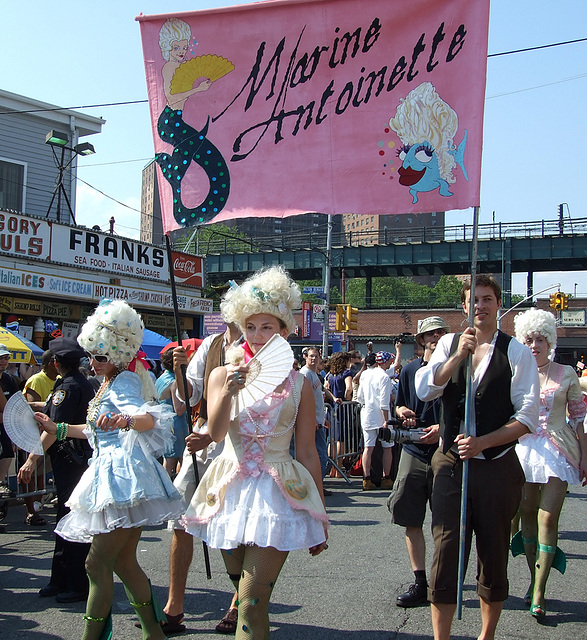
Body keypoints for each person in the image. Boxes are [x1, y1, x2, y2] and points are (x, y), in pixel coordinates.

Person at [181, 266, 328, 639]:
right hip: (227, 491)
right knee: (249, 601)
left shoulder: (300, 384)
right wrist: (229, 390)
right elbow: (215, 434)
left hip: (278, 494)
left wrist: (320, 511)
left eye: (268, 327)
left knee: (249, 602)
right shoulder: (220, 375)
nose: (258, 335)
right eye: (251, 327)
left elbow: (308, 452)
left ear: (284, 330)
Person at [34, 300, 184, 640]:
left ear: (117, 354)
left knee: (96, 564)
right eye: (92, 355)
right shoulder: (107, 383)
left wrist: (125, 419)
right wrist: (55, 428)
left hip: (119, 478)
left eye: (100, 357)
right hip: (113, 474)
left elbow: (150, 419)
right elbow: (92, 431)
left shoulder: (125, 381)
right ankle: (154, 634)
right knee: (123, 563)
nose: (93, 362)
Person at [415, 275, 539, 640]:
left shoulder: (514, 351)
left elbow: (527, 415)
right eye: (475, 300)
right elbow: (426, 390)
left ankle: (487, 634)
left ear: (498, 305)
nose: (481, 306)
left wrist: (484, 443)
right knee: (447, 547)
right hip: (451, 463)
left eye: (488, 299)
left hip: (497, 465)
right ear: (465, 307)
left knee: (493, 548)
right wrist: (457, 356)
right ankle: (442, 636)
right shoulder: (451, 344)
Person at [163, 321, 243, 635]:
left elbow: (256, 409)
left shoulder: (260, 347)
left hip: (238, 446)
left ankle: (239, 600)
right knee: (182, 522)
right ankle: (174, 604)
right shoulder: (211, 345)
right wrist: (180, 371)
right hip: (200, 444)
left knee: (233, 526)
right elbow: (188, 396)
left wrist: (210, 437)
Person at [512, 308, 587, 620]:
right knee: (526, 514)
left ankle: (540, 591)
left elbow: (579, 419)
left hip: (558, 450)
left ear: (550, 341)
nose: (534, 345)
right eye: (529, 339)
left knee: (546, 517)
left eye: (540, 339)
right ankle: (532, 579)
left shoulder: (565, 373)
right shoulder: (516, 373)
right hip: (524, 449)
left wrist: (585, 457)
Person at [18, 337, 95, 602]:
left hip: (70, 461)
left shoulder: (69, 387)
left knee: (70, 521)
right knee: (65, 521)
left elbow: (55, 430)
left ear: (56, 362)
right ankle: (61, 579)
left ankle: (75, 582)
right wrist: (30, 406)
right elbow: (53, 408)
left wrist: (31, 460)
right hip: (75, 461)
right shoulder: (74, 384)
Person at [388, 316, 449, 607]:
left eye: (441, 332)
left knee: (444, 522)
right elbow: (400, 402)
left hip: (443, 450)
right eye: (430, 334)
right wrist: (403, 412)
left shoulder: (455, 368)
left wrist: (442, 429)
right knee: (410, 518)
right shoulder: (411, 369)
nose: (436, 337)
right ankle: (420, 582)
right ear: (422, 340)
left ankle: (442, 580)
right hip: (413, 450)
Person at [20, 350, 60, 526]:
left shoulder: (59, 382)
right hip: (33, 435)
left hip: (49, 434)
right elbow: (32, 407)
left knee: (41, 476)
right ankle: (31, 511)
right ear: (52, 363)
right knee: (32, 474)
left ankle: (37, 507)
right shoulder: (37, 380)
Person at [357, 353, 394, 490]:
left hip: (367, 413)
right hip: (380, 414)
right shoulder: (384, 377)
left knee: (368, 447)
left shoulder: (365, 374)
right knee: (387, 446)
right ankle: (387, 477)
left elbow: (360, 396)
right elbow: (384, 402)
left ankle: (366, 479)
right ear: (386, 362)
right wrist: (386, 420)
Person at [299, 347, 332, 489]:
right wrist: (311, 420)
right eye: (311, 356)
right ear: (305, 357)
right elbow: (305, 400)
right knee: (319, 456)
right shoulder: (305, 373)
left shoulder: (313, 374)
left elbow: (317, 399)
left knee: (320, 456)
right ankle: (314, 486)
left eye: (316, 356)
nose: (313, 359)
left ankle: (317, 485)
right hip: (311, 423)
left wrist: (321, 417)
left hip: (318, 420)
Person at [157, 348, 189, 478]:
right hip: (175, 423)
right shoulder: (175, 381)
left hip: (163, 421)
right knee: (180, 458)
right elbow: (179, 410)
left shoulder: (161, 378)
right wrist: (190, 399)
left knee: (168, 457)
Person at [0, 344, 19, 532]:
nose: (3, 362)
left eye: (6, 358)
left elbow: (14, 407)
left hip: (5, 433)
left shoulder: (9, 380)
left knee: (2, 477)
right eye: (0, 358)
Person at [325, 352, 351, 477]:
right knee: (341, 439)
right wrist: (347, 398)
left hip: (332, 407)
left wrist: (333, 398)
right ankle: (339, 468)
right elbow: (349, 387)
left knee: (332, 439)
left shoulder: (330, 375)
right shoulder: (346, 373)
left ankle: (331, 468)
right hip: (342, 407)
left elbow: (326, 388)